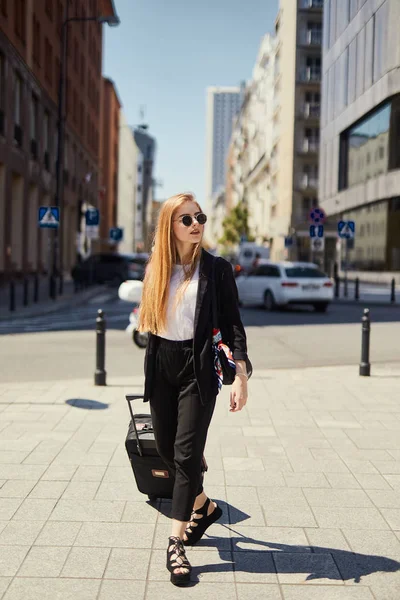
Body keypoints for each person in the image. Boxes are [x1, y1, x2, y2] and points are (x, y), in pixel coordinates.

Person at [138, 192, 251, 586]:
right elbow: (151, 326)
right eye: (186, 219)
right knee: (168, 450)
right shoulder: (157, 268)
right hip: (163, 366)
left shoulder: (216, 270)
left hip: (198, 369)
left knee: (186, 455)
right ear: (170, 226)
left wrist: (241, 375)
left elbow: (234, 324)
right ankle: (204, 506)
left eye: (199, 217)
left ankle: (175, 542)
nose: (196, 224)